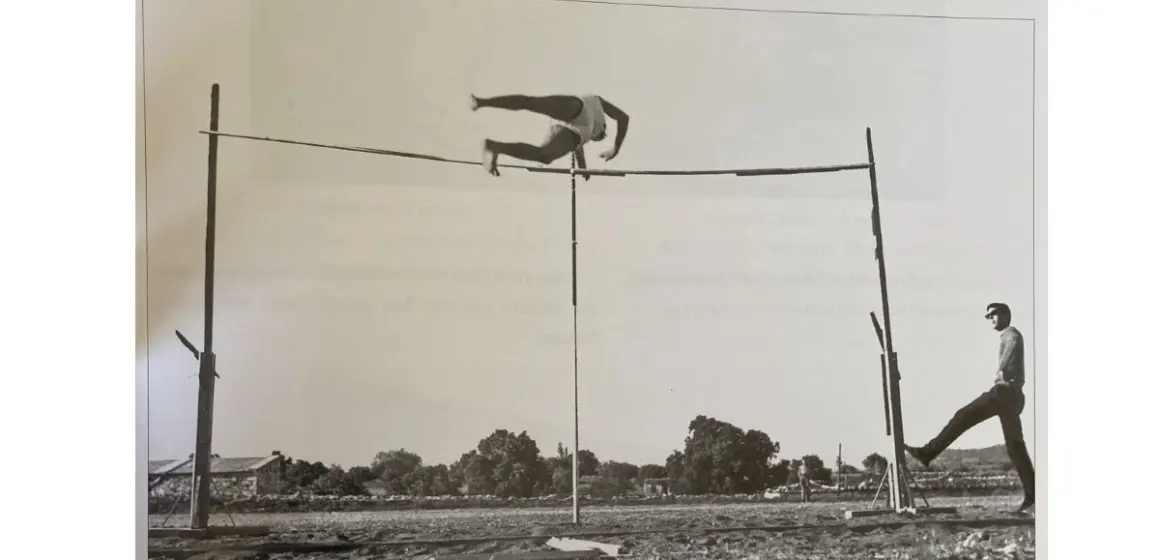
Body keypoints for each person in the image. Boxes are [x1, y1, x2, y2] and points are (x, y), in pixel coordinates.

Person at [904, 302, 1035, 513]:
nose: (991, 319)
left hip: (1004, 392)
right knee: (1015, 447)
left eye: (993, 314)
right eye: (989, 316)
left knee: (964, 415)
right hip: (1014, 396)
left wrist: (1001, 369)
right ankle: (1033, 496)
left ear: (1005, 315)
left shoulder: (1010, 333)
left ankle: (928, 452)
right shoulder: (1009, 334)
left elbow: (1013, 344)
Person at [470, 93, 629, 177]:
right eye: (602, 135)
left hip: (574, 123)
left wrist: (584, 173)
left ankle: (494, 147)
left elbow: (580, 156)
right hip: (579, 108)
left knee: (544, 156)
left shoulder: (583, 140)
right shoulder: (599, 108)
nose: (600, 137)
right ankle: (481, 102)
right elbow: (623, 118)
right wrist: (616, 148)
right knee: (533, 103)